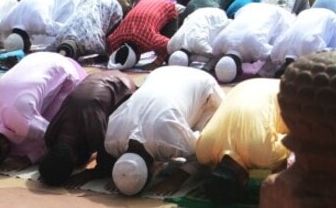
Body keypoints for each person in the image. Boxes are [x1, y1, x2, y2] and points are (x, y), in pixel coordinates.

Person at [103, 65, 225, 196]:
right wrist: (122, 176)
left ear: (153, 169)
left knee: (215, 143)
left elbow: (201, 151)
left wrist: (176, 180)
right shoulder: (111, 141)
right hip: (160, 73)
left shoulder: (169, 141)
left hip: (204, 86)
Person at [0, 52, 86, 171]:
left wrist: (28, 159)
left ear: (4, 145)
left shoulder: (23, 123)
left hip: (66, 73)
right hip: (34, 58)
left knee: (56, 127)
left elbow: (53, 136)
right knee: (26, 137)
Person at [193, 77, 291, 201]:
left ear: (244, 180)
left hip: (285, 92)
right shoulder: (202, 152)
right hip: (243, 86)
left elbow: (295, 140)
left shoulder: (265, 156)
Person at [36, 69, 138, 185]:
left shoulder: (95, 133)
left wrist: (90, 174)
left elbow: (108, 159)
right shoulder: (50, 135)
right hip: (99, 77)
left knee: (121, 131)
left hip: (123, 87)